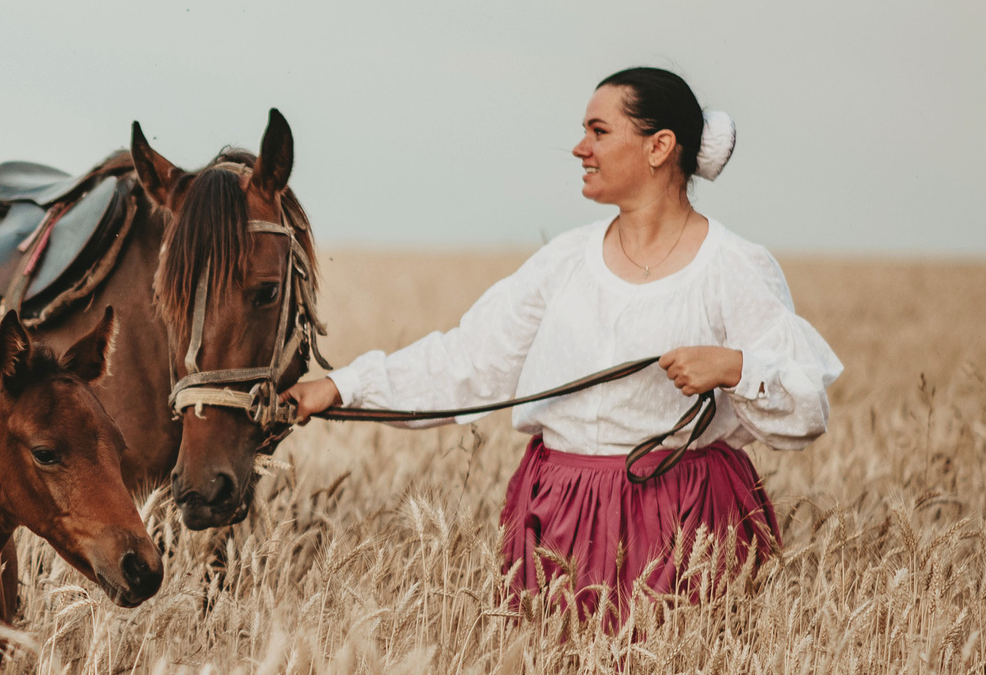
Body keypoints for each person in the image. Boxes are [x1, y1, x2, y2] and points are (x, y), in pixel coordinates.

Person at [288, 67, 841, 627]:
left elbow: (806, 411)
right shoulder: (565, 261)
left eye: (599, 132)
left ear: (658, 147)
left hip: (687, 522)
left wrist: (735, 368)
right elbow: (471, 361)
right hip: (559, 521)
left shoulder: (734, 266)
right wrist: (340, 387)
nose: (580, 148)